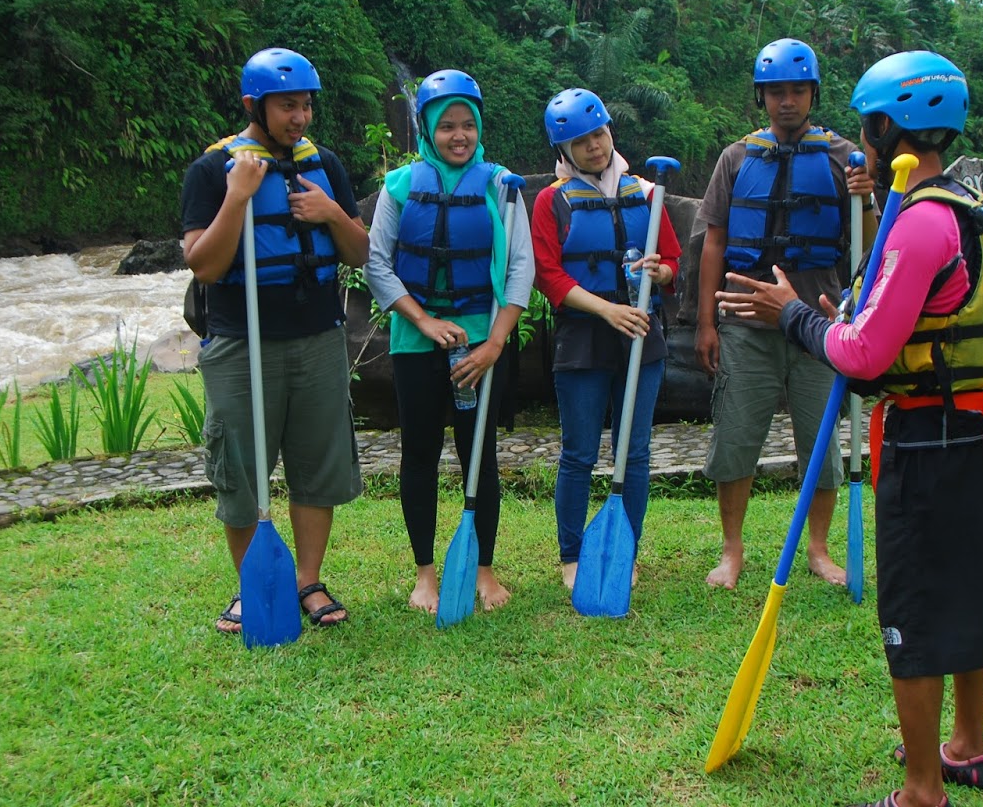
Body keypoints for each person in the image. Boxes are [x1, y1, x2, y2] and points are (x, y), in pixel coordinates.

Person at [716, 50, 983, 807]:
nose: (863, 135)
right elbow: (898, 321)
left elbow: (864, 354)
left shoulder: (919, 223)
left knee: (916, 613)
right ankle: (966, 749)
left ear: (888, 126)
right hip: (977, 435)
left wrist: (787, 314)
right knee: (967, 597)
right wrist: (833, 319)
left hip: (927, 440)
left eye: (868, 123)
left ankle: (923, 790)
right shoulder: (976, 206)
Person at [181, 47, 370, 633]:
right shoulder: (212, 171)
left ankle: (307, 581)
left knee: (316, 466)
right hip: (242, 344)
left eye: (306, 105)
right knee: (240, 468)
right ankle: (251, 585)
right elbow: (203, 265)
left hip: (316, 339)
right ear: (253, 106)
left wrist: (332, 213)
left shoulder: (326, 165)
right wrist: (239, 195)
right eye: (288, 106)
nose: (300, 117)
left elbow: (361, 253)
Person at [695, 37, 873, 590]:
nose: (787, 101)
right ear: (762, 97)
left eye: (798, 90)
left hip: (818, 323)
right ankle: (732, 550)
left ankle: (819, 551)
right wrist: (705, 322)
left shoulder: (848, 160)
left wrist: (865, 197)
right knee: (736, 437)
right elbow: (714, 242)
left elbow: (871, 242)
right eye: (776, 92)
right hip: (745, 321)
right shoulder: (736, 157)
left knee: (820, 444)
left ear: (813, 93)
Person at [364, 69, 533, 615]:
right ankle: (425, 575)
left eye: (467, 125)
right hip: (416, 344)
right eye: (446, 127)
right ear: (427, 130)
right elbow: (378, 265)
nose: (458, 136)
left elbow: (520, 270)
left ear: (479, 127)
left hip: (483, 346)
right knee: (419, 455)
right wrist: (425, 322)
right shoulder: (399, 187)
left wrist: (494, 346)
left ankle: (484, 570)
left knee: (479, 458)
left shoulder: (501, 186)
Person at [530, 89, 682, 590]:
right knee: (578, 452)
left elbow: (673, 260)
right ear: (563, 151)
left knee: (633, 452)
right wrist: (606, 309)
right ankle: (572, 556)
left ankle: (625, 549)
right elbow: (548, 276)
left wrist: (659, 273)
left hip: (642, 336)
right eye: (580, 141)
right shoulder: (553, 202)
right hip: (584, 338)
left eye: (598, 133)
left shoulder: (646, 192)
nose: (594, 146)